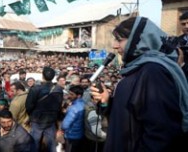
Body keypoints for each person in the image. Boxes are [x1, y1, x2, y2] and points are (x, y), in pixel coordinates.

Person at [90, 17, 188, 152]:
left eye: (119, 40)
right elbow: (131, 115)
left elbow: (161, 133)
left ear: (139, 39)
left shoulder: (154, 72)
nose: (114, 45)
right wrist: (107, 102)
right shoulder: (138, 69)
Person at [25, 66, 64, 152]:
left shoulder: (35, 89)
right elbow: (59, 106)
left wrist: (31, 116)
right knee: (51, 144)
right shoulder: (59, 89)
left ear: (42, 76)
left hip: (37, 120)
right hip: (51, 120)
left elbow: (28, 106)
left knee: (34, 143)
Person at [61, 85, 85, 152]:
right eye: (69, 93)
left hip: (71, 136)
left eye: (72, 94)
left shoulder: (74, 108)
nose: (69, 95)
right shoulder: (83, 104)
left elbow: (65, 125)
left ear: (78, 96)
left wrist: (62, 129)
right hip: (79, 134)